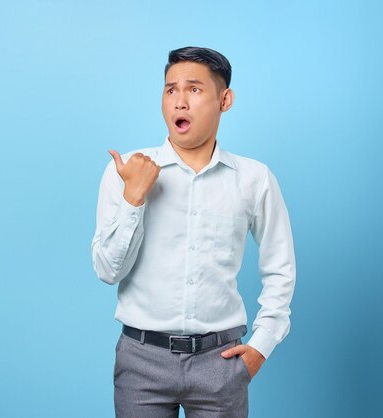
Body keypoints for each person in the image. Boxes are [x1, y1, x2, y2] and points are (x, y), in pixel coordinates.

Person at [90, 46, 296, 418]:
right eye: (171, 90)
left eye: (194, 89)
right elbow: (107, 271)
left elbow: (280, 269)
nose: (179, 102)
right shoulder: (126, 172)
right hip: (141, 363)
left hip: (220, 364)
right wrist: (134, 197)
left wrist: (261, 346)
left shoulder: (254, 178)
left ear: (225, 99)